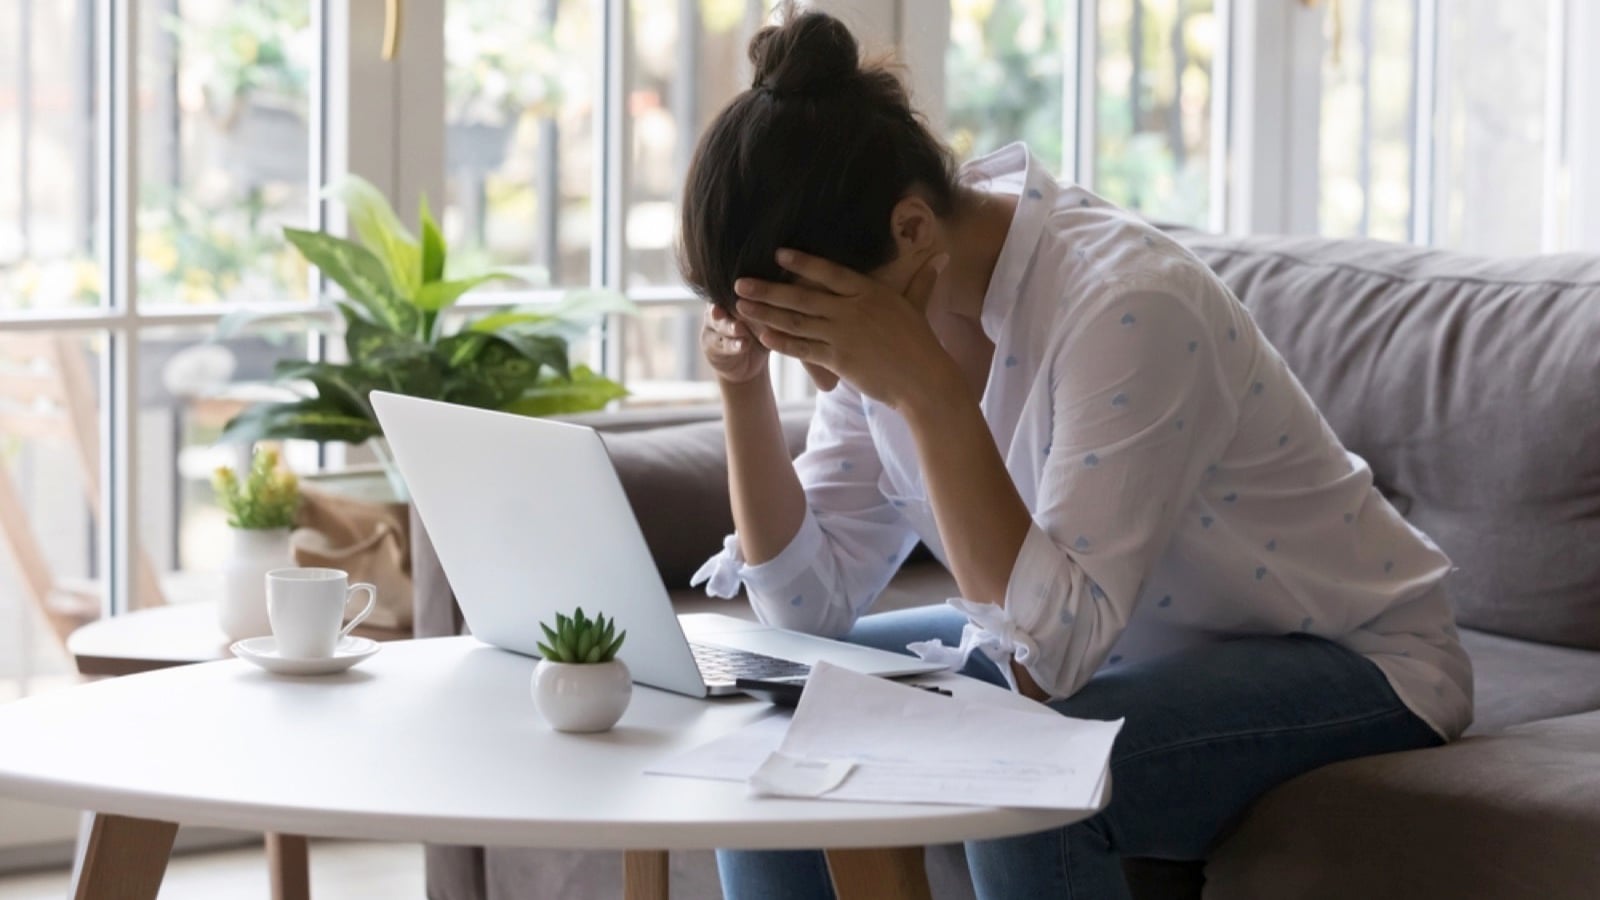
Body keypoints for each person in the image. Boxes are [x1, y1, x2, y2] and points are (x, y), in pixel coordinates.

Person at [680, 8, 1471, 899]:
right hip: (1124, 641)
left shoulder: (1126, 305)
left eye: (807, 329)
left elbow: (1044, 660)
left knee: (1015, 759)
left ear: (910, 231)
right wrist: (743, 391)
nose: (814, 363)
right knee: (773, 716)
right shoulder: (884, 302)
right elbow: (804, 617)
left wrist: (933, 394)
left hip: (1350, 657)